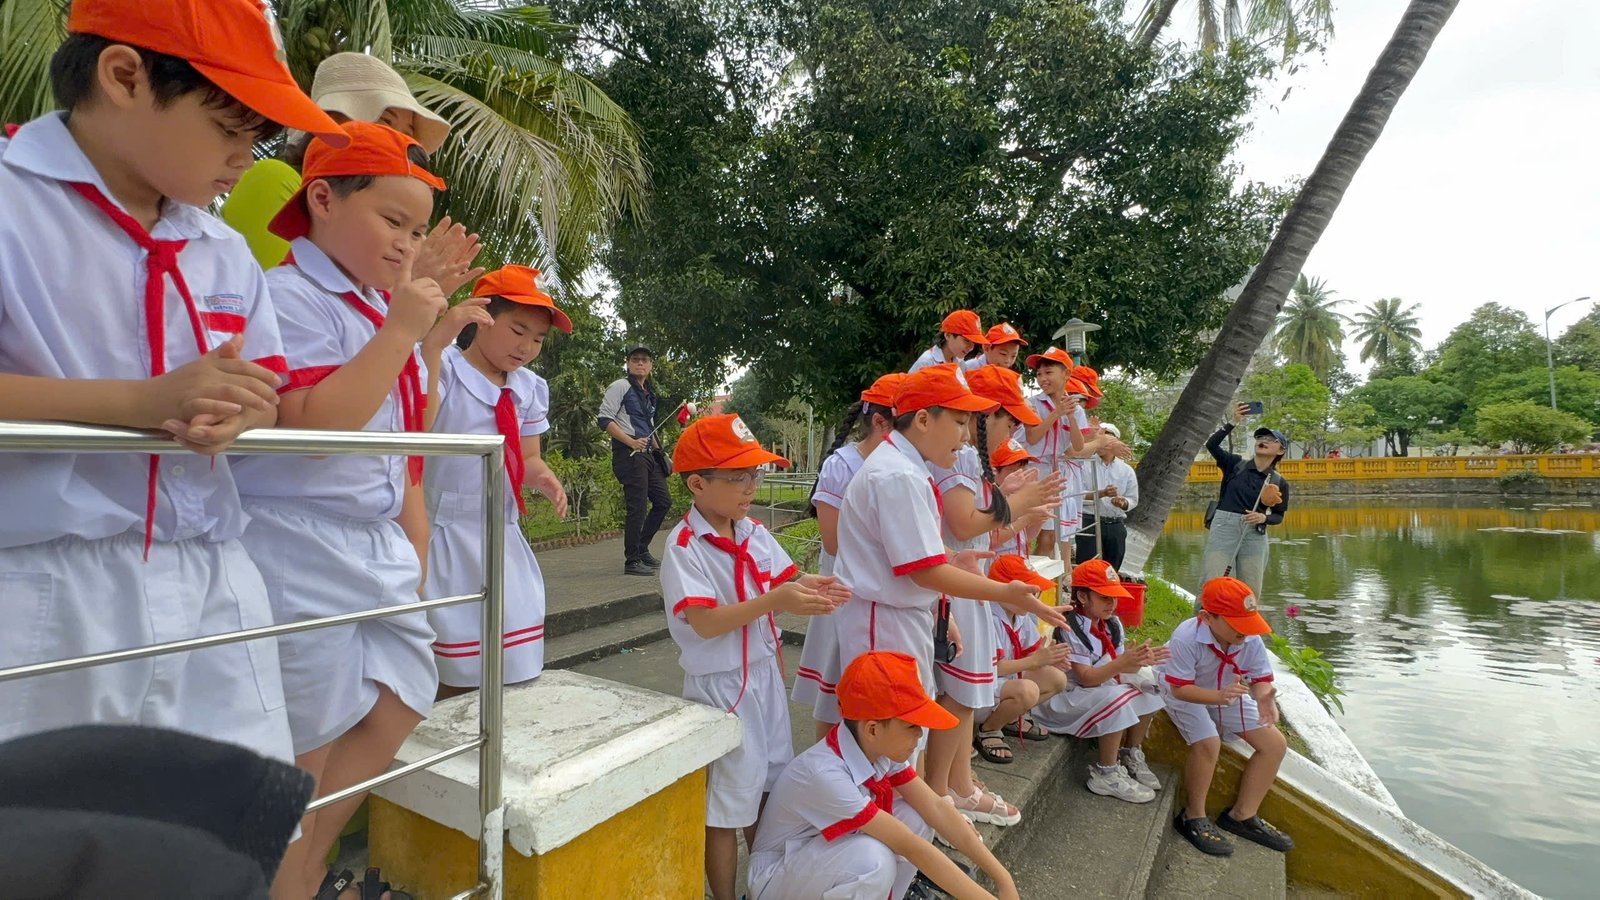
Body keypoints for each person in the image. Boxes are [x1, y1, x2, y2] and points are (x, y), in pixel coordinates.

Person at [0, 0, 343, 760]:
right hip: (45, 584)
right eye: (227, 130)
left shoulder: (221, 248)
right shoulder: (12, 203)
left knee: (232, 815)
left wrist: (242, 412)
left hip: (214, 575)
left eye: (255, 139)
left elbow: (266, 392)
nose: (243, 160)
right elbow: (155, 400)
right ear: (125, 75)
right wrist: (140, 403)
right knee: (59, 822)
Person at [231, 121, 451, 899]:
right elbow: (318, 431)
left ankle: (306, 863)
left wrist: (410, 331)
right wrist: (403, 330)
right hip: (298, 542)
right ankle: (288, 875)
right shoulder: (290, 296)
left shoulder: (372, 307)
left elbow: (406, 426)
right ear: (321, 200)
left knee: (402, 695)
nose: (406, 245)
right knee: (306, 741)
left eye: (416, 231)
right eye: (393, 221)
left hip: (368, 539)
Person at [831, 364, 1065, 774]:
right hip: (884, 620)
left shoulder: (906, 467)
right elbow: (924, 571)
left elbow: (917, 553)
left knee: (906, 728)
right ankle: (898, 809)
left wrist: (952, 561)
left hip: (900, 614)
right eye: (958, 422)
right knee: (890, 733)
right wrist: (1004, 592)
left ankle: (916, 806)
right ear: (923, 420)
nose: (965, 435)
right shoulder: (898, 474)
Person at [660, 413, 850, 900]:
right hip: (722, 687)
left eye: (754, 474)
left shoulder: (752, 532)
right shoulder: (685, 546)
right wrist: (774, 602)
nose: (751, 487)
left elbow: (783, 580)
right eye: (737, 477)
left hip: (763, 676)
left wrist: (811, 585)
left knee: (770, 785)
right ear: (698, 484)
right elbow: (705, 622)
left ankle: (765, 887)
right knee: (727, 804)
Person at [748, 651, 1022, 900]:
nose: (920, 735)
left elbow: (937, 808)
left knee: (917, 819)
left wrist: (1003, 879)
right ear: (872, 729)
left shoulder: (877, 750)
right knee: (873, 861)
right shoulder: (825, 774)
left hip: (819, 857)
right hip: (775, 880)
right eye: (911, 727)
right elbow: (910, 846)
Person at [922, 364, 1060, 826]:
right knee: (958, 693)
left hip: (967, 579)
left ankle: (957, 782)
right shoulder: (960, 458)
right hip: (956, 584)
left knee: (964, 693)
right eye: (1010, 419)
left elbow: (982, 534)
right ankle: (943, 789)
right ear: (985, 415)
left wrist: (1016, 508)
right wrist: (1015, 503)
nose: (1015, 430)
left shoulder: (973, 461)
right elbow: (963, 526)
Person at [423, 266, 570, 695]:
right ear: (481, 316)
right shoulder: (444, 368)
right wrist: (434, 344)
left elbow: (527, 457)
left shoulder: (529, 388)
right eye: (517, 330)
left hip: (501, 534)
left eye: (538, 339)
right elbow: (419, 422)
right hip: (444, 531)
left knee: (512, 656)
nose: (526, 347)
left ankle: (498, 729)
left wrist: (543, 478)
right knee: (451, 656)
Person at [220, 51, 471, 277]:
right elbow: (281, 302)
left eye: (408, 133)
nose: (399, 140)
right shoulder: (274, 178)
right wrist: (410, 279)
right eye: (386, 122)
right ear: (330, 119)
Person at [794, 373, 904, 740]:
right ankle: (828, 764)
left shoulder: (901, 465)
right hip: (843, 591)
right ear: (881, 423)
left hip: (879, 591)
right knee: (836, 692)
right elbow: (832, 541)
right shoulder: (842, 465)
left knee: (873, 692)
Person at [1162, 577, 1294, 857]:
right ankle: (1192, 816)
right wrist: (1219, 697)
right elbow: (1179, 688)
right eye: (1236, 623)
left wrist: (1264, 698)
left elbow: (1260, 678)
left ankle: (1241, 815)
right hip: (1185, 693)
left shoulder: (1248, 637)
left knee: (1274, 745)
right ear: (1207, 618)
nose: (1245, 631)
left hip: (1226, 692)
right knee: (1208, 742)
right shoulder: (1186, 637)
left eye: (1248, 622)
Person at [1033, 560, 1165, 804]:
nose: (1112, 604)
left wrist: (1140, 661)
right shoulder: (1069, 626)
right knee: (1118, 697)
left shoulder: (1112, 624)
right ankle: (1107, 773)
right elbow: (1087, 679)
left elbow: (1120, 667)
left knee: (1152, 686)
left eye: (1114, 597)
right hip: (1064, 698)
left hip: (1094, 691)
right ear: (1082, 597)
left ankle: (1131, 751)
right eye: (1104, 597)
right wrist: (1123, 662)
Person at [974, 555, 1068, 761]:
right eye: (1028, 593)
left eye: (1035, 593)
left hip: (1005, 685)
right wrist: (1035, 661)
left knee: (1057, 679)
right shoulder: (988, 617)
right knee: (1028, 691)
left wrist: (1049, 657)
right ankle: (988, 729)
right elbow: (992, 668)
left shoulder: (1020, 615)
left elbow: (1028, 653)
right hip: (982, 690)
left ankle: (1009, 717)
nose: (1034, 599)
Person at [1201, 403, 1291, 597]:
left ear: (1280, 451)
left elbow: (1278, 516)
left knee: (1250, 587)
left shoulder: (1278, 481)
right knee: (1213, 580)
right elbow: (1211, 445)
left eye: (1271, 439)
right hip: (1224, 527)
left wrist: (1263, 518)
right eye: (1260, 438)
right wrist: (1233, 422)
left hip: (1254, 534)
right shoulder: (1235, 464)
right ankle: (1204, 615)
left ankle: (1245, 618)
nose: (1263, 441)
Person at [598, 345, 672, 575]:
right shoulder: (620, 386)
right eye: (635, 359)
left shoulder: (649, 394)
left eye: (645, 360)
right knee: (637, 506)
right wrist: (630, 442)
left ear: (651, 366)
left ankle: (641, 548)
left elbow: (650, 428)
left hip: (647, 454)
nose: (640, 363)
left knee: (663, 501)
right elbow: (604, 419)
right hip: (629, 454)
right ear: (628, 363)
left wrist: (662, 453)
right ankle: (632, 560)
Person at [1075, 422, 1138, 569]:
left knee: (1112, 570)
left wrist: (1122, 502)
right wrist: (1101, 494)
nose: (1102, 443)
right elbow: (1076, 495)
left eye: (1106, 439)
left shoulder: (1126, 470)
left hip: (1115, 523)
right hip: (1089, 521)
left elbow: (1133, 499)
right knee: (1087, 568)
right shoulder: (1084, 464)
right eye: (1099, 438)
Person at [909, 310, 988, 372]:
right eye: (966, 341)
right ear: (948, 335)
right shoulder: (926, 363)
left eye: (973, 343)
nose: (971, 347)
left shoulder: (960, 363)